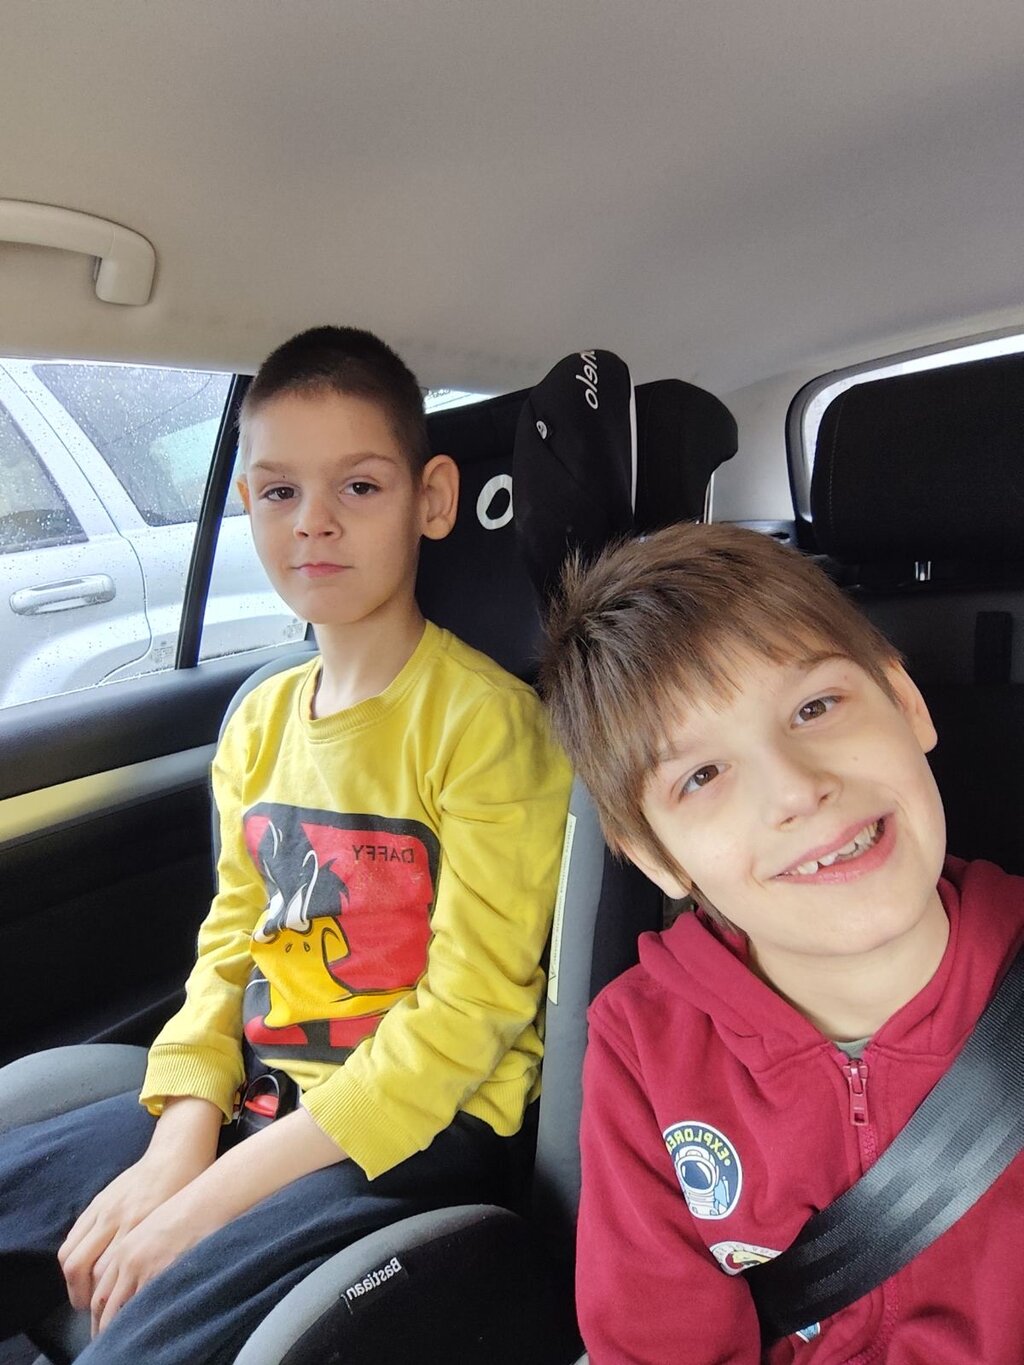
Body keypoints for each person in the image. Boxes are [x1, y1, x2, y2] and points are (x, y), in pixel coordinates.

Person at [0, 326, 571, 1364]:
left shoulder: (486, 726)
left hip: (420, 1131)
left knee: (145, 1327)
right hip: (266, 1091)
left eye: (359, 486)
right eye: (278, 491)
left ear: (432, 499)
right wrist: (180, 1138)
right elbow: (230, 947)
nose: (314, 522)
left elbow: (469, 1017)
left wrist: (203, 1203)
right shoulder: (260, 723)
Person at [539, 521, 1024, 1364]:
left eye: (815, 707)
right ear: (657, 859)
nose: (797, 789)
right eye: (702, 775)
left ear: (906, 703)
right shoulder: (646, 1049)